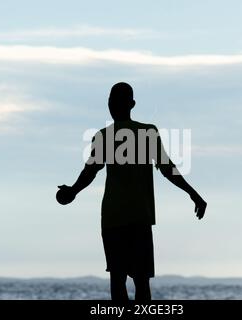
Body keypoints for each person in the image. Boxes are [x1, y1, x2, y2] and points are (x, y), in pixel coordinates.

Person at [58, 82, 207, 301]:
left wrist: (73, 191)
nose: (112, 104)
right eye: (111, 100)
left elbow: (89, 172)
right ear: (132, 104)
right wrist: (193, 194)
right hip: (140, 217)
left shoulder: (104, 136)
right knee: (141, 281)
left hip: (113, 219)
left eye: (113, 100)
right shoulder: (147, 132)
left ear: (126, 104)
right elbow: (168, 169)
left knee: (117, 280)